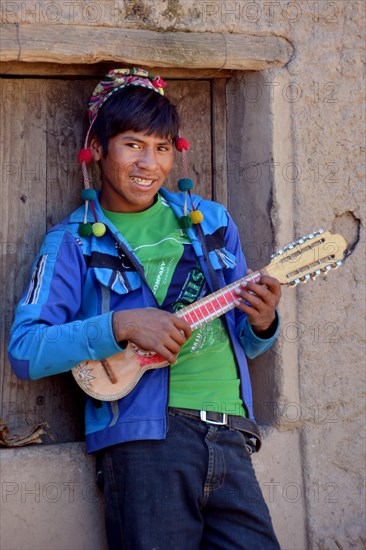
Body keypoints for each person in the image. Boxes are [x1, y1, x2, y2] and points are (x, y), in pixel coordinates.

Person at [9, 68, 282, 549]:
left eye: (161, 147)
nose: (149, 163)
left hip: (232, 433)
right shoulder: (72, 242)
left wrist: (262, 322)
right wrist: (121, 324)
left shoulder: (211, 222)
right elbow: (26, 350)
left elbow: (244, 339)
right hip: (144, 445)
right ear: (97, 149)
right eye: (133, 144)